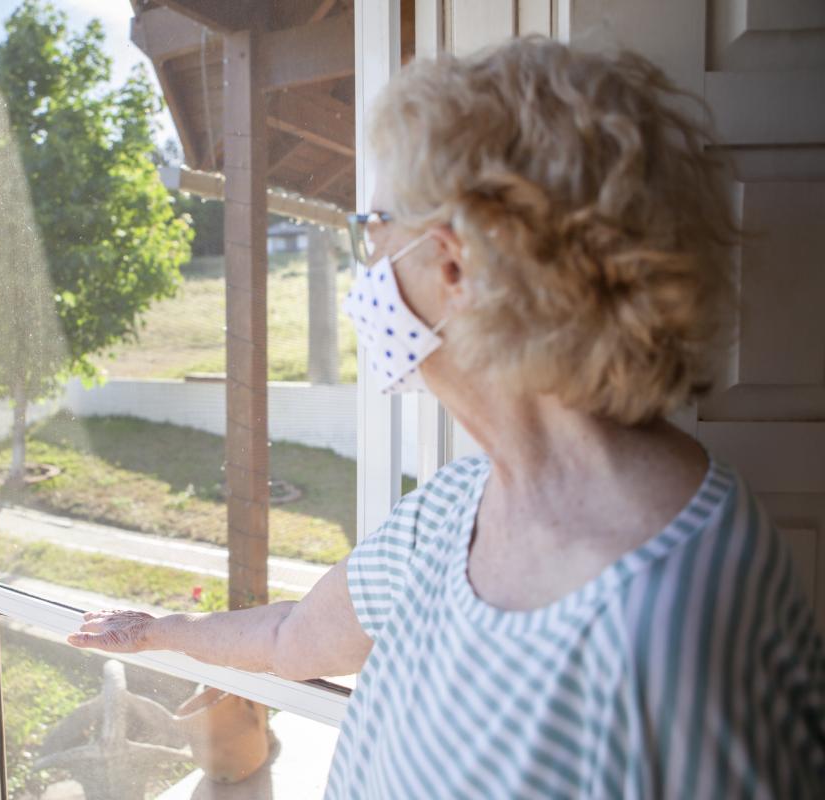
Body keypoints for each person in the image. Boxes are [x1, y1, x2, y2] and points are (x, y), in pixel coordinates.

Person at [69, 38, 825, 797]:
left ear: (451, 264)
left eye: (373, 228)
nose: (368, 264)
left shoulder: (682, 614)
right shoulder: (454, 507)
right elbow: (293, 637)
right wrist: (167, 631)